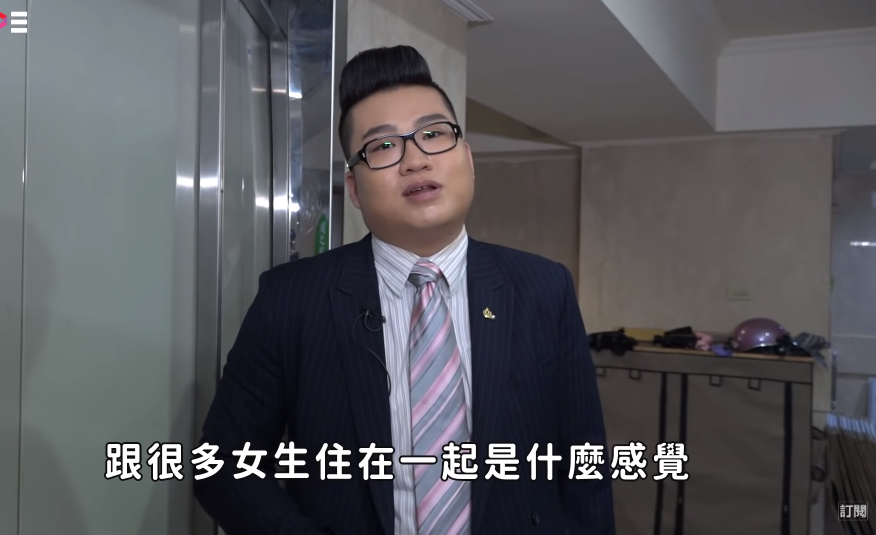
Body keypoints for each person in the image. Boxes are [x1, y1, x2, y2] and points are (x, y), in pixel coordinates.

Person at [194, 45, 615, 535]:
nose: (415, 160)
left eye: (434, 135)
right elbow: (220, 465)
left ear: (468, 160)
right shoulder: (291, 298)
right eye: (383, 146)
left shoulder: (543, 288)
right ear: (354, 188)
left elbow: (585, 463)